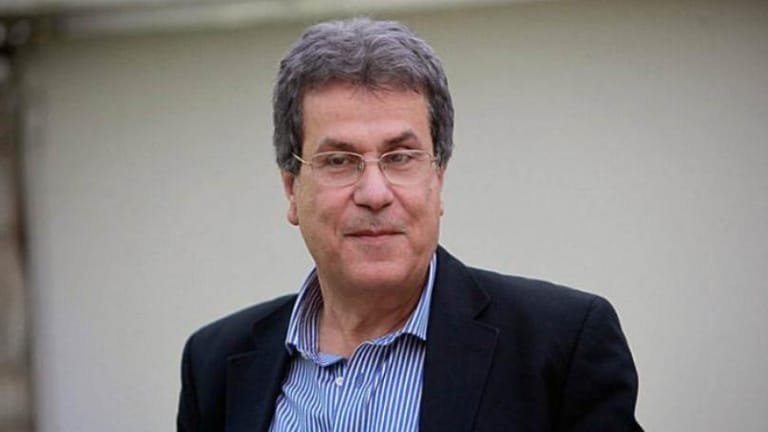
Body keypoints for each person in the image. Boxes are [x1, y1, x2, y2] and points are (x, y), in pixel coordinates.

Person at [177, 17, 643, 432]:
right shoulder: (215, 364)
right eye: (339, 160)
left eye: (400, 157)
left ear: (437, 179)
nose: (374, 193)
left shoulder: (559, 347)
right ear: (291, 189)